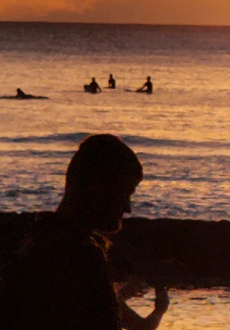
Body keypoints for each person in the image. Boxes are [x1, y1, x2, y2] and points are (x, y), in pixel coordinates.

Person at [0, 135, 169, 329]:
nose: (128, 208)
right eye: (125, 194)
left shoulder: (33, 240)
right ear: (99, 189)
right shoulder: (82, 256)